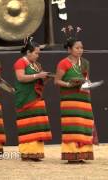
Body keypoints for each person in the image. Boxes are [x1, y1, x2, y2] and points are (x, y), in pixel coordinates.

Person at [54, 28, 94, 163]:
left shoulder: (85, 63)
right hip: (70, 99)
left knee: (83, 125)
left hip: (83, 98)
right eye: (77, 48)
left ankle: (82, 154)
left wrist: (88, 83)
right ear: (69, 49)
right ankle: (72, 154)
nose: (80, 50)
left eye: (81, 48)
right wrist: (69, 85)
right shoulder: (63, 63)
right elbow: (57, 81)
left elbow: (86, 78)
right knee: (73, 125)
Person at [13, 38, 52, 161]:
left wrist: (46, 78)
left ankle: (36, 152)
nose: (38, 55)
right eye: (36, 53)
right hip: (25, 97)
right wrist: (37, 75)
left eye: (39, 53)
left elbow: (38, 81)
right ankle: (27, 152)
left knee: (37, 125)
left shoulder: (37, 65)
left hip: (36, 97)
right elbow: (21, 78)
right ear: (28, 52)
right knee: (27, 124)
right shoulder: (20, 62)